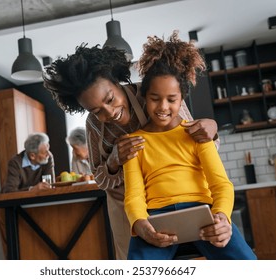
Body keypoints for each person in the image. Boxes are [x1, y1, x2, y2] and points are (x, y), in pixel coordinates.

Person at [43, 42, 219, 260]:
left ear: (117, 82)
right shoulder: (94, 126)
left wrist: (212, 129)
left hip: (173, 195)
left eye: (110, 99)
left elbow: (201, 145)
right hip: (127, 207)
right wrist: (114, 162)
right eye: (97, 110)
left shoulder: (155, 93)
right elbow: (100, 178)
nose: (110, 112)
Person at [123, 31, 256, 260]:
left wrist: (222, 217)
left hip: (204, 215)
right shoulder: (133, 143)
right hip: (157, 220)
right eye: (155, 98)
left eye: (171, 99)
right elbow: (133, 195)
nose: (162, 106)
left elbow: (221, 185)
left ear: (181, 98)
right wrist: (139, 223)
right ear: (144, 96)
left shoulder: (197, 134)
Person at [0, 132, 55, 258]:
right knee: (13, 247)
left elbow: (49, 184)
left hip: (30, 206)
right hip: (8, 207)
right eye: (44, 152)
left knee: (35, 244)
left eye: (48, 149)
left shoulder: (48, 157)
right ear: (32, 155)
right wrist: (32, 189)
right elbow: (9, 191)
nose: (48, 154)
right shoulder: (15, 163)